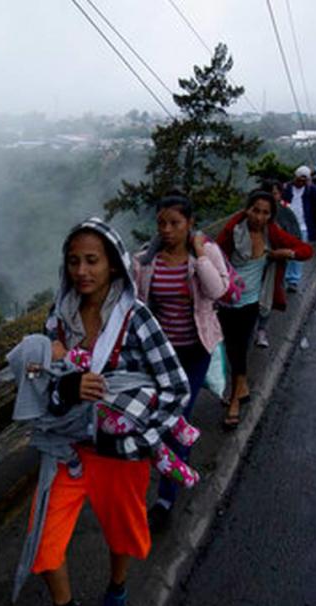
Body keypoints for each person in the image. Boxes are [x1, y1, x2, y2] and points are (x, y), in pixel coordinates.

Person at [25, 218, 190, 606]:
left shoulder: (136, 319)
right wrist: (65, 384)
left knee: (121, 532)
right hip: (68, 451)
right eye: (74, 261)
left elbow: (175, 385)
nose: (82, 271)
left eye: (92, 261)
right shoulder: (59, 318)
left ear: (114, 265)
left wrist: (147, 435)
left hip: (120, 454)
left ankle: (117, 590)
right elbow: (41, 382)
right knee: (43, 543)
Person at [132, 190, 229, 530]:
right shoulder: (146, 262)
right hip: (160, 357)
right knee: (157, 420)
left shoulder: (207, 254)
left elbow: (218, 291)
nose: (168, 230)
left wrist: (200, 253)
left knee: (176, 419)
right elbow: (134, 301)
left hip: (195, 350)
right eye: (162, 224)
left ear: (190, 224)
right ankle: (168, 474)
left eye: (175, 223)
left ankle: (166, 497)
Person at [215, 192, 313, 428]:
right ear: (247, 209)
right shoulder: (233, 233)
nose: (259, 217)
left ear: (271, 216)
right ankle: (243, 386)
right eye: (255, 210)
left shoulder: (272, 234)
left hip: (252, 302)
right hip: (227, 301)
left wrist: (286, 253)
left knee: (239, 347)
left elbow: (306, 250)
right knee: (231, 348)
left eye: (265, 212)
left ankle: (235, 400)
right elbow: (214, 255)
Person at [254, 180, 299, 349]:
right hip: (252, 263)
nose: (273, 198)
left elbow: (295, 239)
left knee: (268, 296)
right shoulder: (252, 215)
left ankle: (261, 330)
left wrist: (283, 251)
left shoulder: (286, 214)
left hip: (274, 264)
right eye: (270, 194)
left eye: (275, 194)